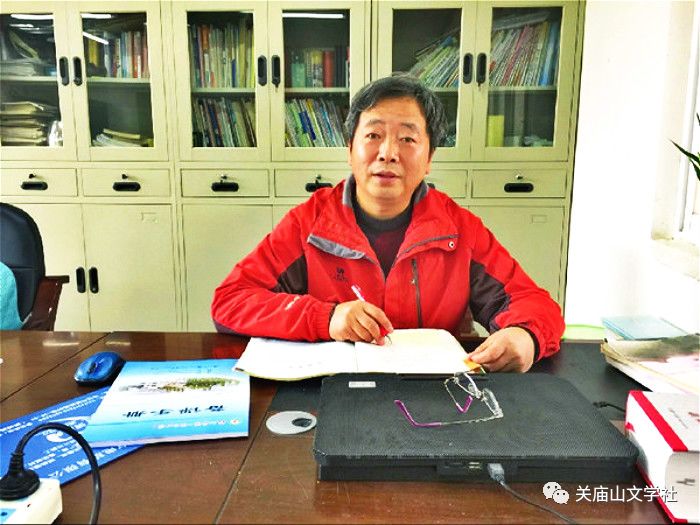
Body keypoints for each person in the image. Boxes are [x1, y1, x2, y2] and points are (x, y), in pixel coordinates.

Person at [212, 74, 565, 372]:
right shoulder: (310, 223)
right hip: (335, 394)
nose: (388, 153)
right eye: (373, 135)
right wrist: (326, 318)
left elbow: (533, 303)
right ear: (350, 149)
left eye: (408, 139)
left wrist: (525, 336)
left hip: (437, 396)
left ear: (429, 158)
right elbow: (230, 302)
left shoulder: (459, 228)